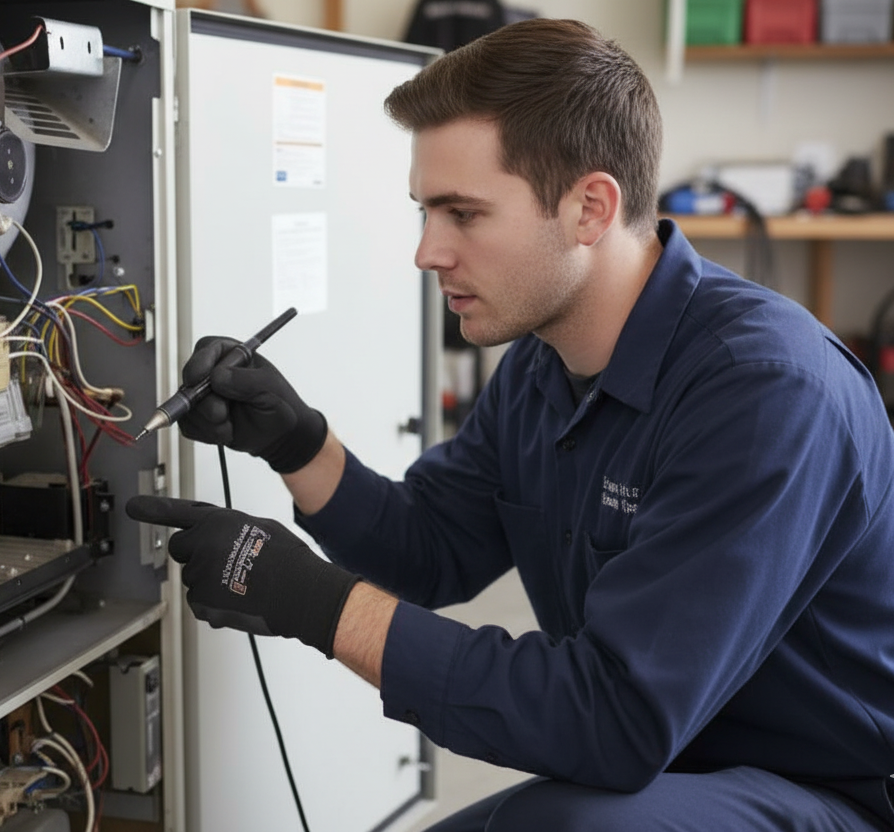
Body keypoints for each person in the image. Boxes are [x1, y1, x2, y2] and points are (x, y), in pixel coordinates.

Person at [127, 18, 894, 832]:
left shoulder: (764, 392)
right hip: (673, 767)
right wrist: (294, 440)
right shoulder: (543, 362)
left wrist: (309, 600)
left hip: (825, 789)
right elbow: (434, 546)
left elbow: (614, 717)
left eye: (463, 213)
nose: (427, 251)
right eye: (426, 211)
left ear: (589, 208)